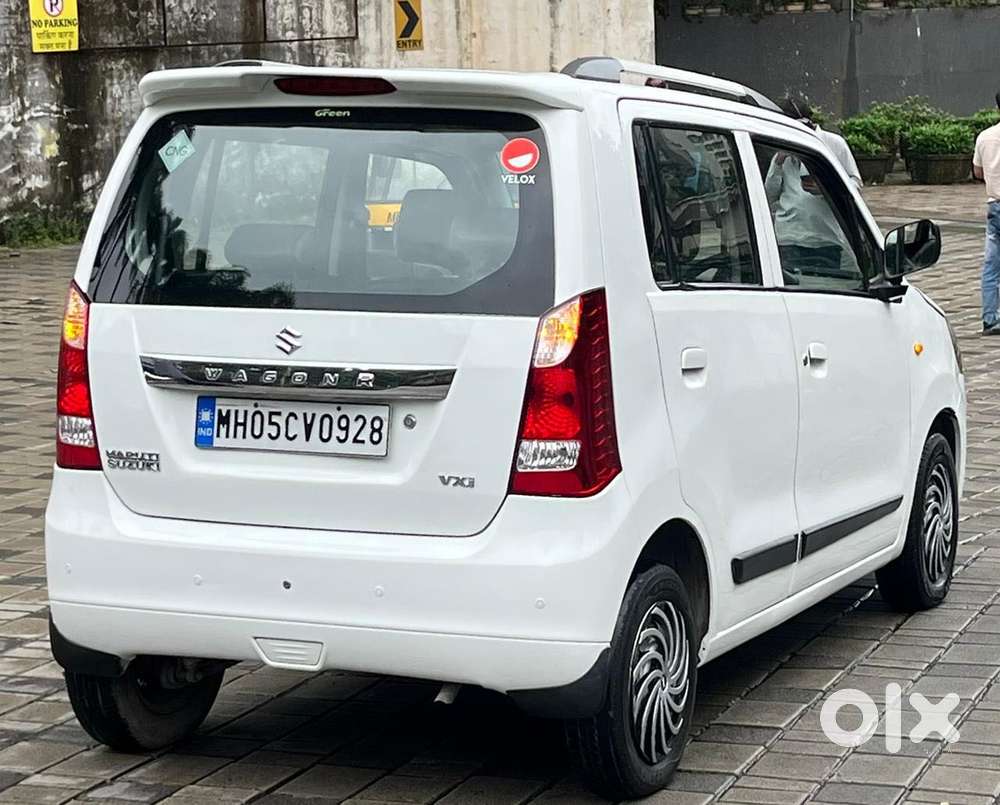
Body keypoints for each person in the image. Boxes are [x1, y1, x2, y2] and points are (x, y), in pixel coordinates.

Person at [779, 97, 863, 189]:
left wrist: (827, 188)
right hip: (787, 203)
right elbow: (769, 194)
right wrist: (777, 164)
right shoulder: (782, 146)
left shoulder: (835, 143)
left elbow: (856, 182)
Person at [973, 92, 1000, 335]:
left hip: (995, 206)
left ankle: (990, 319)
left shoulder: (985, 136)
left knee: (991, 266)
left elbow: (978, 172)